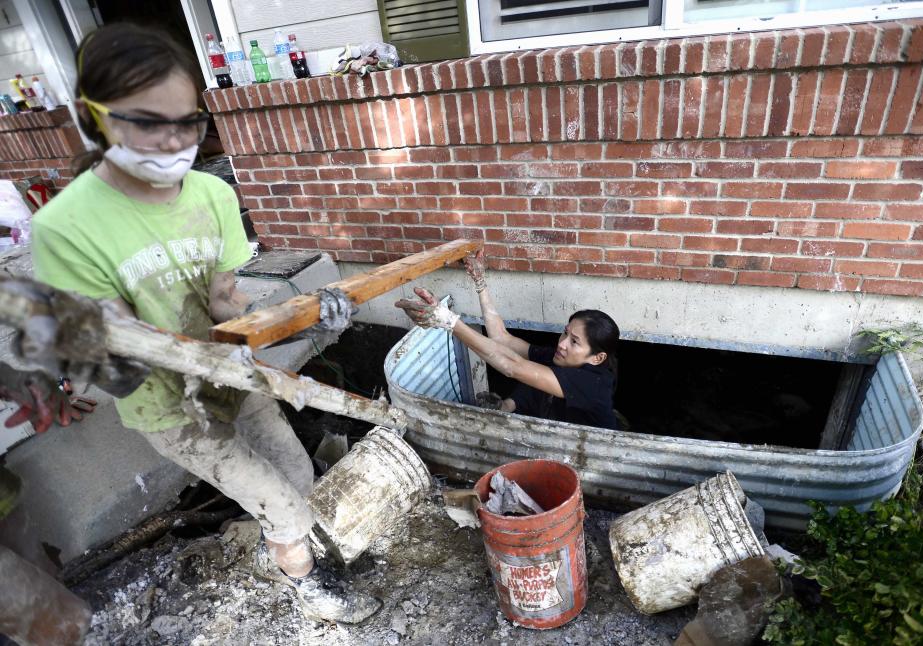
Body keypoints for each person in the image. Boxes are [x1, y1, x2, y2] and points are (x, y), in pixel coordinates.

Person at [27, 24, 377, 623]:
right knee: (283, 506)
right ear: (97, 120)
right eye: (146, 121)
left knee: (297, 473)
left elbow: (222, 303)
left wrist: (305, 324)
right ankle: (310, 585)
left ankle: (297, 549)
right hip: (167, 406)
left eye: (185, 121)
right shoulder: (67, 226)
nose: (173, 142)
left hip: (233, 378)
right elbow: (116, 350)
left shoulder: (211, 196)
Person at [395, 250, 620, 430]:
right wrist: (480, 283)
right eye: (565, 333)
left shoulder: (593, 384)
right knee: (538, 375)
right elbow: (502, 338)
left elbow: (512, 366)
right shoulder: (560, 358)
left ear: (597, 357)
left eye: (574, 342)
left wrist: (447, 321)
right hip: (555, 437)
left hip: (588, 458)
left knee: (533, 373)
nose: (561, 343)